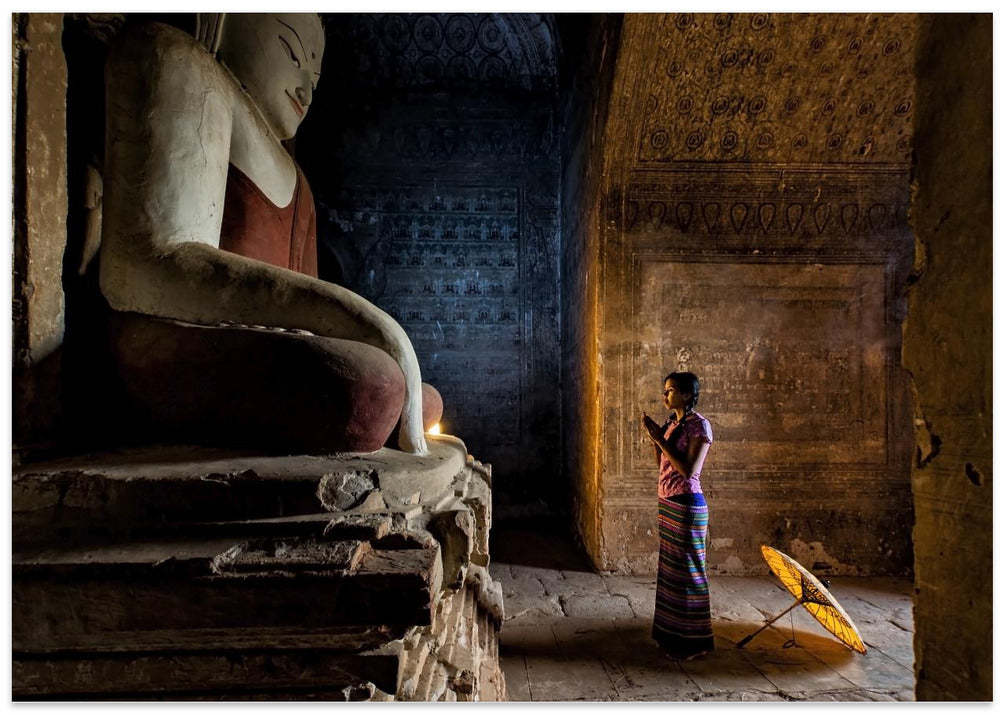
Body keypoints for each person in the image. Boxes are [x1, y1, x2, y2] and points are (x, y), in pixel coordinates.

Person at [99, 14, 438, 454]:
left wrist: (362, 333)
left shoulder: (298, 182)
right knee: (372, 389)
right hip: (176, 331)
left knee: (413, 397)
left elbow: (306, 305)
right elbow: (147, 262)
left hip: (267, 343)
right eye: (292, 53)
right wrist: (369, 324)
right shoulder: (183, 64)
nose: (305, 89)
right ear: (222, 20)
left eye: (314, 77)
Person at [641, 371, 715, 660]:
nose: (665, 395)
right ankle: (670, 636)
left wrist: (661, 439)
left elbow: (688, 470)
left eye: (670, 390)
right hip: (669, 502)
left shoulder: (700, 426)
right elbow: (662, 463)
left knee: (689, 573)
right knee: (671, 572)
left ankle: (694, 642)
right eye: (665, 390)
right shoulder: (673, 423)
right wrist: (655, 439)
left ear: (686, 394)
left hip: (687, 505)